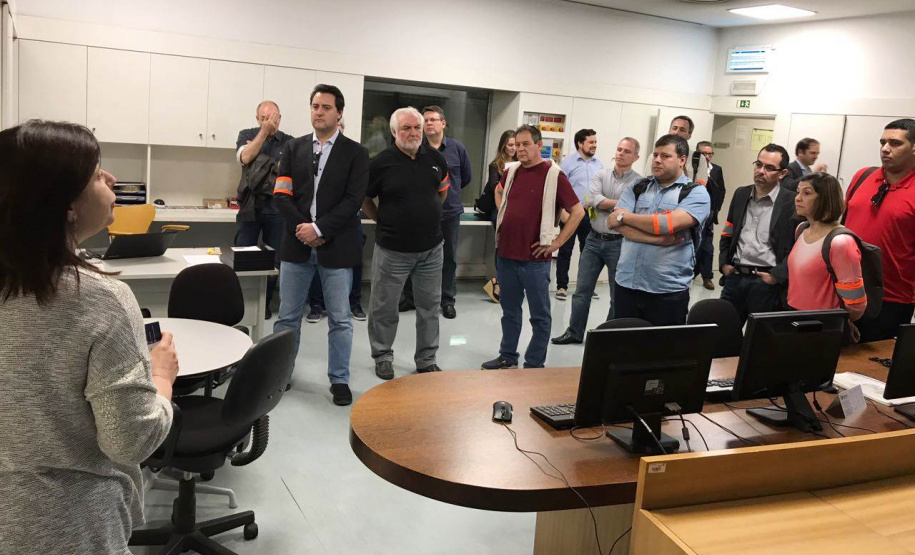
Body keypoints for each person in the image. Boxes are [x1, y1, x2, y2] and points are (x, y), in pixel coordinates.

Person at [0, 120, 177, 553]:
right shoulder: (102, 300)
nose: (111, 179)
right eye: (97, 173)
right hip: (70, 525)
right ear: (66, 206)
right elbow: (129, 441)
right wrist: (162, 380)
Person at [272, 84, 369, 406]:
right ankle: (281, 374)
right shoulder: (293, 148)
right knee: (287, 318)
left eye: (326, 107)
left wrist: (319, 228)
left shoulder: (356, 153)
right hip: (296, 245)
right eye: (315, 106)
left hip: (336, 246)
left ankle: (339, 379)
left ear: (339, 113)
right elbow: (281, 194)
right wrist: (304, 229)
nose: (319, 112)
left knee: (340, 319)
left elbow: (353, 200)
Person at [481, 124, 584, 370]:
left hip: (535, 260)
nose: (520, 149)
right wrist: (504, 214)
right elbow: (498, 192)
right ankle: (507, 356)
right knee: (509, 311)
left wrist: (557, 242)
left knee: (539, 316)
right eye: (517, 144)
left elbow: (578, 212)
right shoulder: (511, 172)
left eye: (526, 144)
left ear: (539, 145)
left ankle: (534, 364)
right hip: (506, 255)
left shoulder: (554, 175)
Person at [362, 107, 450, 379]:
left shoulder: (436, 159)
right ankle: (382, 356)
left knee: (429, 308)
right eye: (406, 128)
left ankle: (426, 359)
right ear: (394, 132)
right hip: (392, 251)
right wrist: (383, 220)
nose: (413, 133)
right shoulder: (379, 163)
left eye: (417, 128)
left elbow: (442, 193)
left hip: (431, 250)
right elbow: (364, 199)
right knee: (384, 307)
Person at [607, 134, 710, 326]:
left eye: (665, 156)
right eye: (655, 155)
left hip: (667, 291)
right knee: (623, 343)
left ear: (682, 160)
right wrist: (658, 239)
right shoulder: (638, 186)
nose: (657, 160)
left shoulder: (695, 193)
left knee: (662, 345)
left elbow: (667, 224)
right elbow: (614, 224)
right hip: (627, 284)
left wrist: (626, 217)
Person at [552, 137, 642, 345]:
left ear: (636, 157)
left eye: (626, 151)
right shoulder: (600, 174)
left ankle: (608, 337)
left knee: (616, 294)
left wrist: (609, 203)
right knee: (581, 291)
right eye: (619, 149)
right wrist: (619, 204)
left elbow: (631, 208)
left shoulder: (638, 182)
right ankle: (574, 332)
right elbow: (593, 200)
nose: (621, 153)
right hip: (593, 240)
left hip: (619, 243)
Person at [844, 118, 915, 342]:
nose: (885, 148)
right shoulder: (863, 176)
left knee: (872, 362)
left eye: (895, 143)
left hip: (891, 301)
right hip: (844, 290)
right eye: (883, 142)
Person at [399, 106, 472, 319]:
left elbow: (465, 177)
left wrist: (450, 194)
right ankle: (411, 298)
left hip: (449, 213)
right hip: (421, 214)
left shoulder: (457, 149)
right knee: (415, 255)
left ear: (443, 123)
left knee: (449, 258)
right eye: (426, 120)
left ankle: (447, 300)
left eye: (433, 119)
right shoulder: (415, 148)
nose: (429, 123)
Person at [718, 144, 797, 325]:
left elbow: (796, 248)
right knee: (724, 334)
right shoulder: (741, 194)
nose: (761, 171)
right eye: (759, 164)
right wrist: (724, 264)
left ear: (782, 173)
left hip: (766, 283)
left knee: (760, 338)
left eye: (769, 168)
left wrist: (776, 276)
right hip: (735, 277)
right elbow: (727, 232)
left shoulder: (791, 202)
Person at [788, 172, 866, 341]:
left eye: (807, 193)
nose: (798, 198)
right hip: (793, 317)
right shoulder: (801, 230)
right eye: (798, 192)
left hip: (823, 326)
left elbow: (856, 303)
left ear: (825, 198)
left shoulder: (841, 242)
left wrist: (838, 322)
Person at [304, 117, 368, 322]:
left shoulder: (354, 155)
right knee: (316, 261)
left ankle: (354, 302)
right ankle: (316, 304)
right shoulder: (310, 153)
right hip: (317, 222)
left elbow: (354, 197)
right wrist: (317, 228)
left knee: (353, 262)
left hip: (347, 222)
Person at [235, 100, 294, 319]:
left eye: (273, 118)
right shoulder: (246, 134)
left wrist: (259, 155)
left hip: (277, 208)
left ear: (280, 118)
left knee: (273, 260)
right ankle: (241, 303)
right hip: (249, 207)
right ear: (257, 119)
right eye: (264, 118)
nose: (269, 122)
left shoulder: (290, 142)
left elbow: (288, 171)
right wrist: (262, 134)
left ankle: (264, 304)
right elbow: (245, 157)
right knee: (243, 256)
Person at [555, 128, 603, 300]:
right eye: (591, 142)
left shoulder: (599, 165)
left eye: (595, 142)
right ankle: (562, 287)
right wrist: (562, 213)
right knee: (565, 250)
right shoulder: (567, 164)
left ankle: (586, 287)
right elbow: (558, 190)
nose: (594, 145)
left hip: (591, 213)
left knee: (589, 252)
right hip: (571, 214)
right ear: (580, 144)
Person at [481, 130, 517, 303]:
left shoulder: (522, 164)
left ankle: (507, 280)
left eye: (516, 145)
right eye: (510, 145)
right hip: (500, 206)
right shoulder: (496, 165)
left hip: (517, 207)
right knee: (501, 241)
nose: (513, 148)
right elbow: (494, 187)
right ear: (503, 146)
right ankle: (500, 281)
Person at [693, 141, 726, 290]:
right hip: (693, 214)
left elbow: (721, 190)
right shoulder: (691, 169)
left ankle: (707, 277)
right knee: (693, 245)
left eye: (710, 153)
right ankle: (691, 273)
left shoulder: (716, 170)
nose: (707, 156)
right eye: (704, 153)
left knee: (707, 247)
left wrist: (716, 209)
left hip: (709, 216)